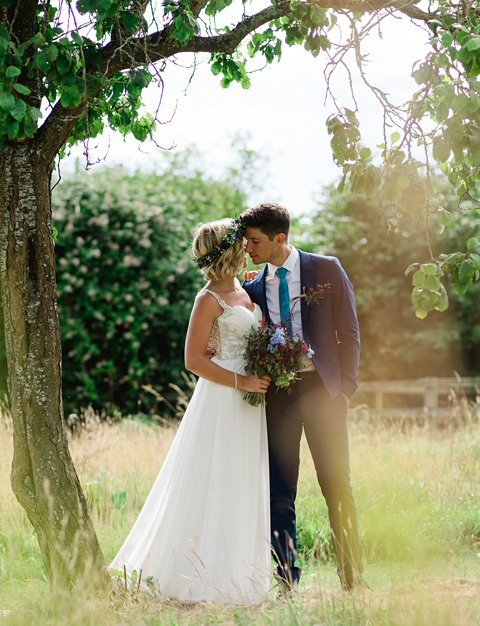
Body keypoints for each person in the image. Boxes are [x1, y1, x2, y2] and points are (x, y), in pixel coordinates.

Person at [109, 218, 272, 604]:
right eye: (241, 242)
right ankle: (198, 577)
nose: (247, 246)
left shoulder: (243, 288)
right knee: (215, 479)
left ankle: (241, 574)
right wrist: (242, 382)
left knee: (243, 479)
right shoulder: (207, 299)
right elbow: (193, 360)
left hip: (251, 403)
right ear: (229, 249)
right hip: (223, 400)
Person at [239, 202, 364, 594]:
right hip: (279, 396)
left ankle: (352, 578)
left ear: (280, 238)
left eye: (255, 241)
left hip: (325, 392)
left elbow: (350, 331)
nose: (248, 249)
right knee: (279, 490)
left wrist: (345, 389)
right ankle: (285, 581)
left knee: (336, 485)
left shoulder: (326, 268)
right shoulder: (252, 285)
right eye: (245, 241)